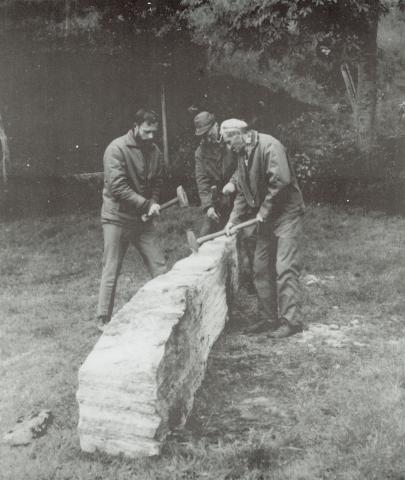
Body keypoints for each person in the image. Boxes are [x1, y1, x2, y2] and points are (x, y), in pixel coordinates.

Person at [222, 119, 305, 338]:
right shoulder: (242, 154)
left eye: (230, 141)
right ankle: (268, 318)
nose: (229, 147)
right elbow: (242, 191)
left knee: (284, 267)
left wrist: (264, 212)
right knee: (260, 268)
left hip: (286, 214)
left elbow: (281, 182)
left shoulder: (270, 146)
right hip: (266, 218)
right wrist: (232, 220)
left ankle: (291, 321)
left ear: (241, 134)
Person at [96, 109, 167, 331]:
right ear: (135, 126)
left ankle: (168, 310)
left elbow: (157, 181)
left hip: (142, 220)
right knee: (112, 267)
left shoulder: (155, 151)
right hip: (117, 218)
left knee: (160, 266)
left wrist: (152, 204)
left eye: (154, 132)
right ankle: (103, 319)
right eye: (146, 131)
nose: (150, 136)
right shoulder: (116, 149)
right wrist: (146, 204)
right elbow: (117, 187)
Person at [194, 111, 239, 236]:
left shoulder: (230, 139)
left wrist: (233, 182)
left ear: (216, 126)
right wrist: (208, 206)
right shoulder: (200, 152)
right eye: (203, 135)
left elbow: (243, 166)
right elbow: (202, 181)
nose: (207, 138)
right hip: (219, 201)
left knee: (240, 235)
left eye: (209, 133)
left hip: (239, 194)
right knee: (204, 237)